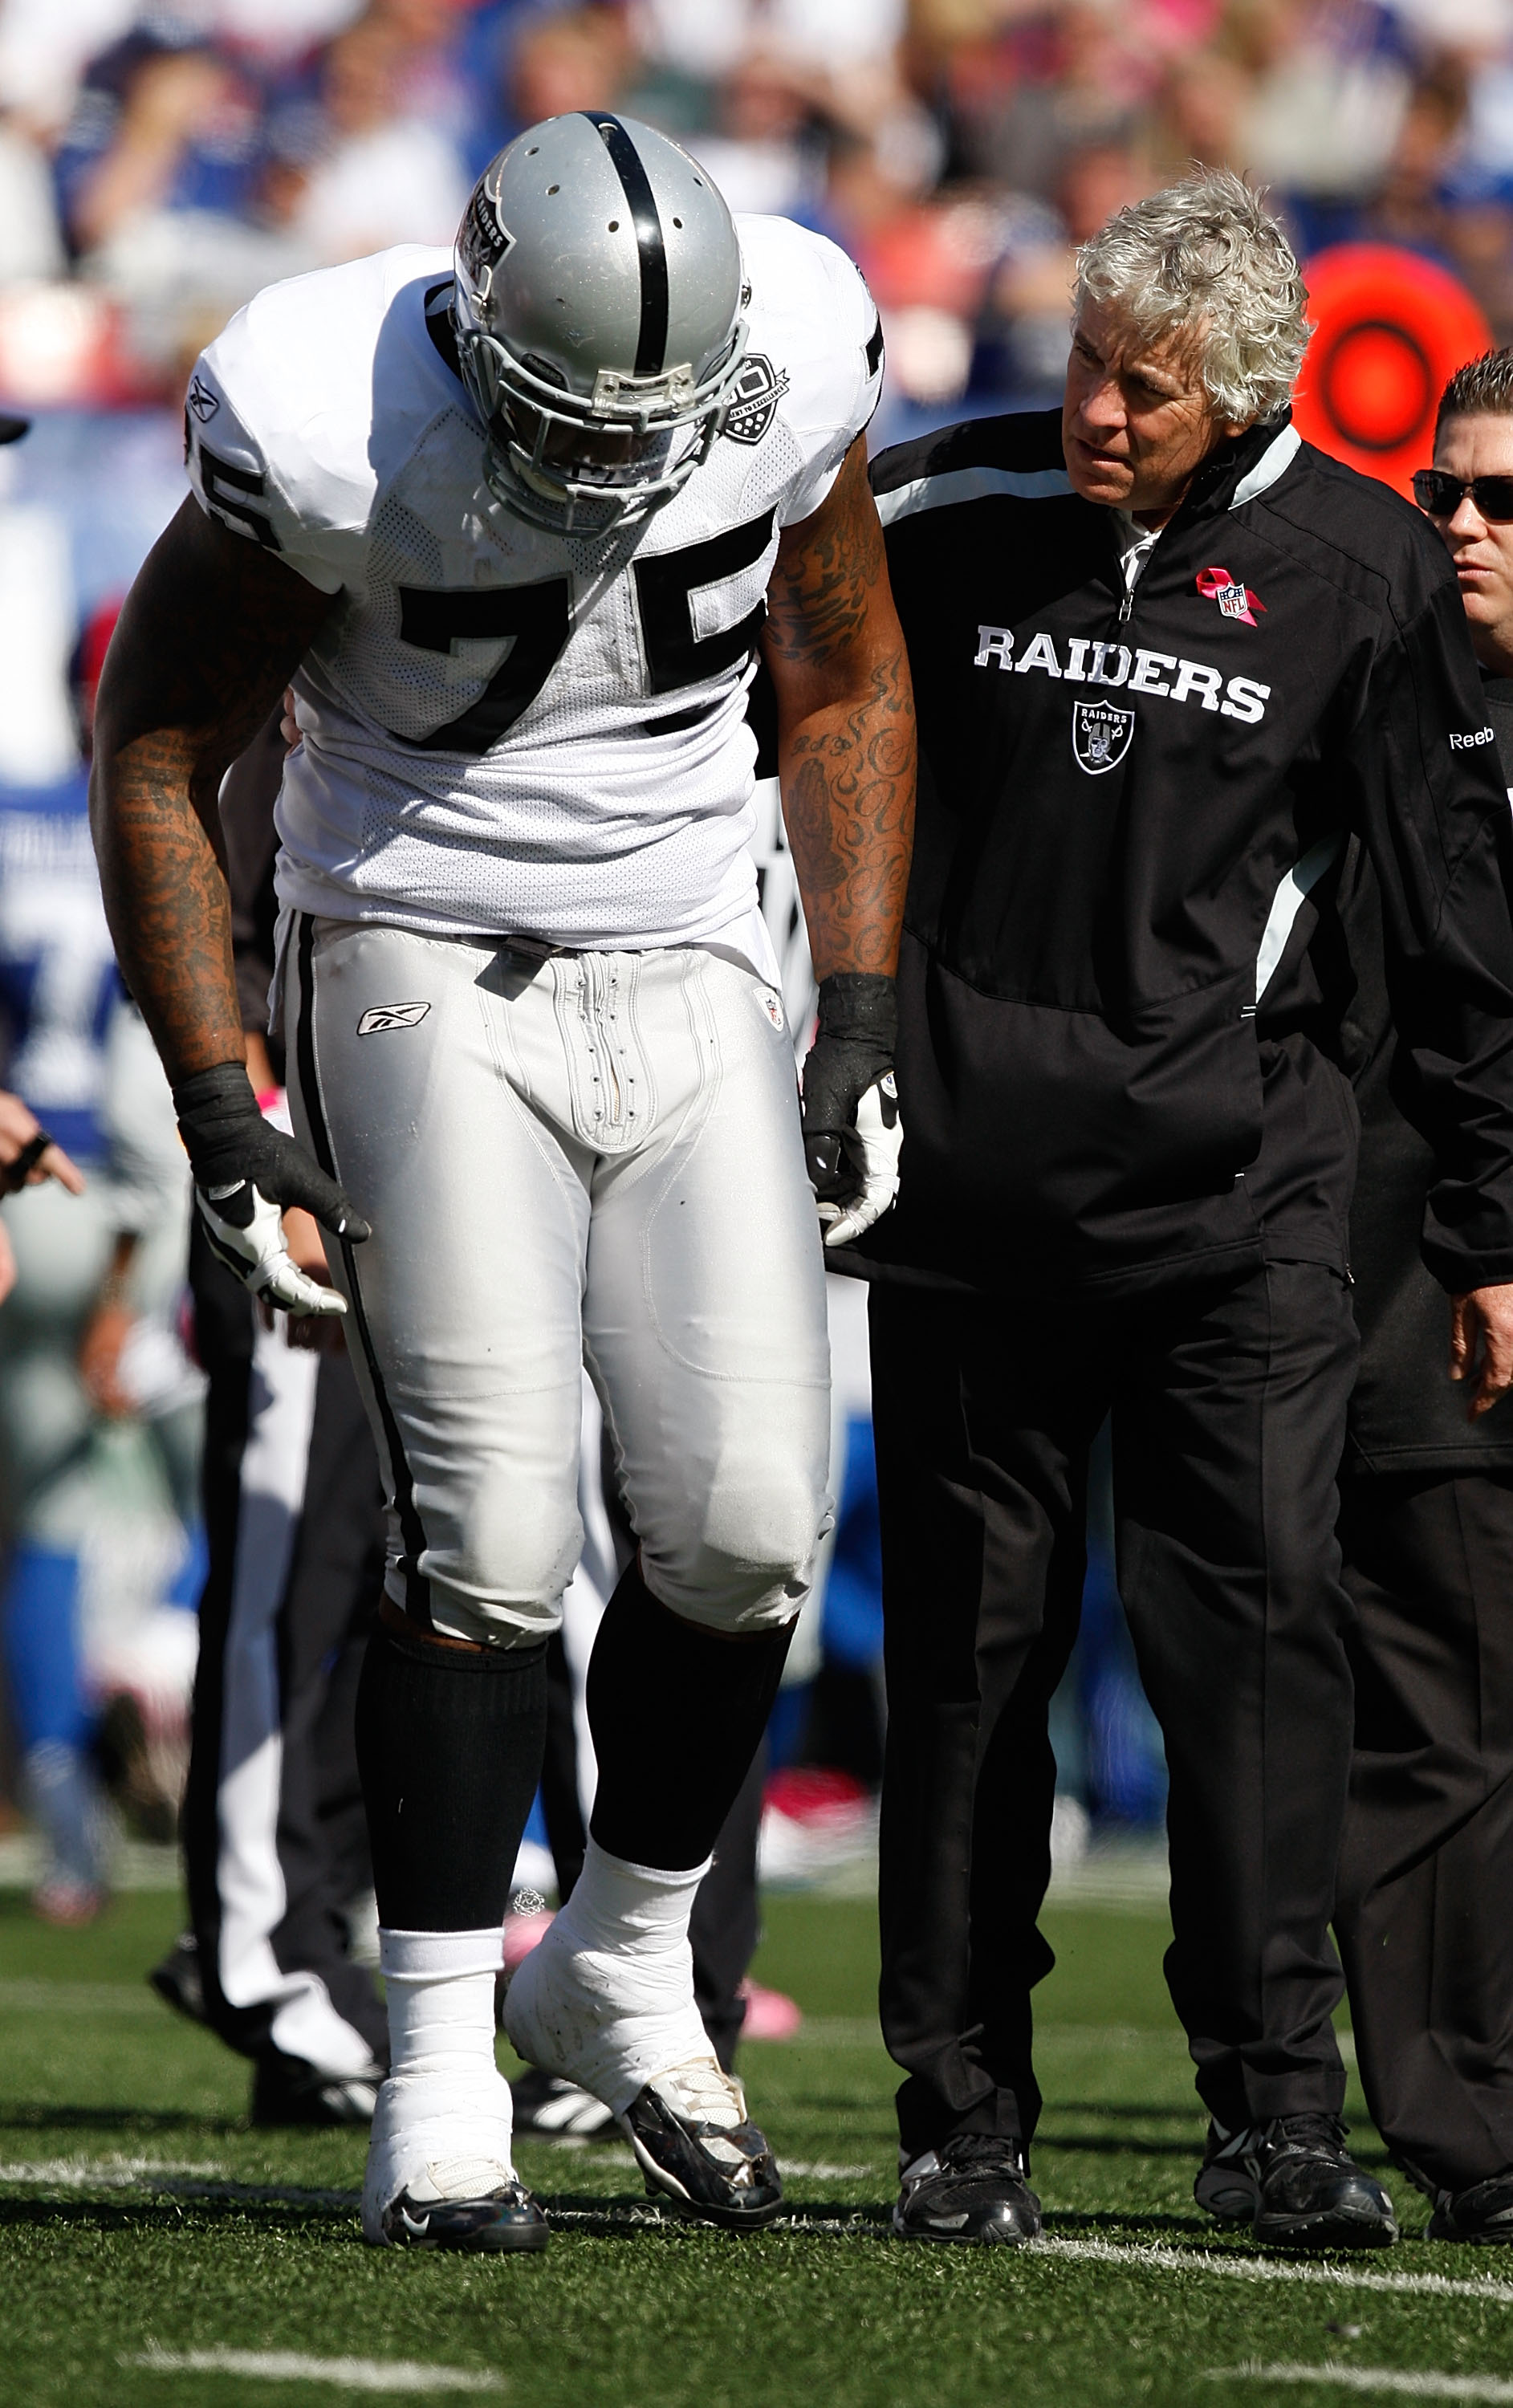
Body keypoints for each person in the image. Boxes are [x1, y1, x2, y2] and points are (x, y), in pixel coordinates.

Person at [90, 111, 913, 2253]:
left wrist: (858, 1003)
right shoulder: (325, 417)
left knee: (746, 1531)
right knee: (492, 1530)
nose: (615, 458)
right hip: (418, 953)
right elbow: (158, 746)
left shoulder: (799, 342)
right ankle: (437, 2073)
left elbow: (839, 671)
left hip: (691, 951)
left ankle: (621, 1959)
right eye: (571, 414)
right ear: (470, 331)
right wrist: (212, 1086)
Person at [855, 166, 1513, 2251]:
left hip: (1240, 1209)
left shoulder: (1369, 570)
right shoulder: (941, 510)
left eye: (1142, 387)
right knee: (963, 1678)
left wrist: (1490, 1223)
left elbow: (1440, 920)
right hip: (964, 1191)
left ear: (1241, 393)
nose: (1097, 413)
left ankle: (1271, 2124)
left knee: (1252, 1658)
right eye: (1082, 366)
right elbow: (794, 726)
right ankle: (956, 2118)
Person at [1331, 348, 1513, 2245]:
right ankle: (1470, 2131)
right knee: (1444, 1711)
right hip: (1435, 1273)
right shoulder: (1391, 703)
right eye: (1447, 491)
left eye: (1502, 500)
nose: (1461, 524)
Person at [148, 708, 391, 2126]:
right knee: (277, 1569)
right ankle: (254, 1949)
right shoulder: (260, 662)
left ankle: (315, 1919)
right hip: (287, 1150)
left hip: (410, 1143)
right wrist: (261, 1148)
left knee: (376, 1564)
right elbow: (213, 934)